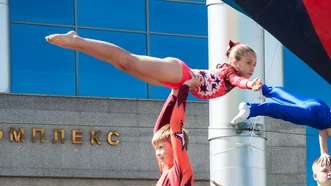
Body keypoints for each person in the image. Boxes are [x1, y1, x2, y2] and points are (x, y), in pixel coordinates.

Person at [231, 57, 331, 156]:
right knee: (283, 112)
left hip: (320, 105)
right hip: (316, 117)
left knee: (287, 98)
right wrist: (324, 152)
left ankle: (264, 89)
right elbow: (325, 130)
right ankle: (250, 108)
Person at [45, 33, 262, 99]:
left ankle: (78, 46)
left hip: (176, 82)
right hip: (180, 72)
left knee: (124, 66)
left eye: (254, 64)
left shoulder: (227, 71)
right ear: (235, 62)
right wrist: (250, 84)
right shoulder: (230, 74)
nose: (252, 67)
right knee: (128, 60)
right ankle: (77, 41)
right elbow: (237, 80)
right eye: (248, 63)